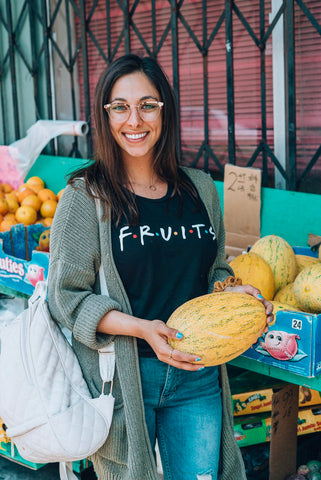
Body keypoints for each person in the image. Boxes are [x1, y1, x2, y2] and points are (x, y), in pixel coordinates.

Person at [48, 53, 273, 480]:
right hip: (128, 378)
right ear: (105, 114)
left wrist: (233, 294)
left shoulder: (201, 189)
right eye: (120, 106)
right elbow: (67, 298)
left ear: (164, 110)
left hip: (197, 373)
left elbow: (214, 271)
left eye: (148, 104)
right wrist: (143, 328)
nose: (135, 119)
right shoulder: (85, 197)